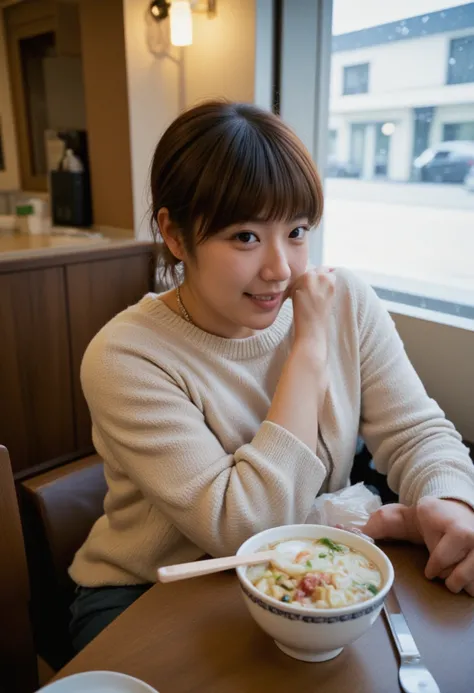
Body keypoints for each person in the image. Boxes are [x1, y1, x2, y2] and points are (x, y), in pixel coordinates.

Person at [69, 100, 474, 652]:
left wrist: (448, 501)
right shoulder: (127, 356)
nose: (280, 269)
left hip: (305, 569)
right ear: (175, 234)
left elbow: (415, 431)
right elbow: (245, 528)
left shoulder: (347, 299)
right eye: (244, 236)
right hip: (150, 595)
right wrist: (307, 348)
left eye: (298, 230)